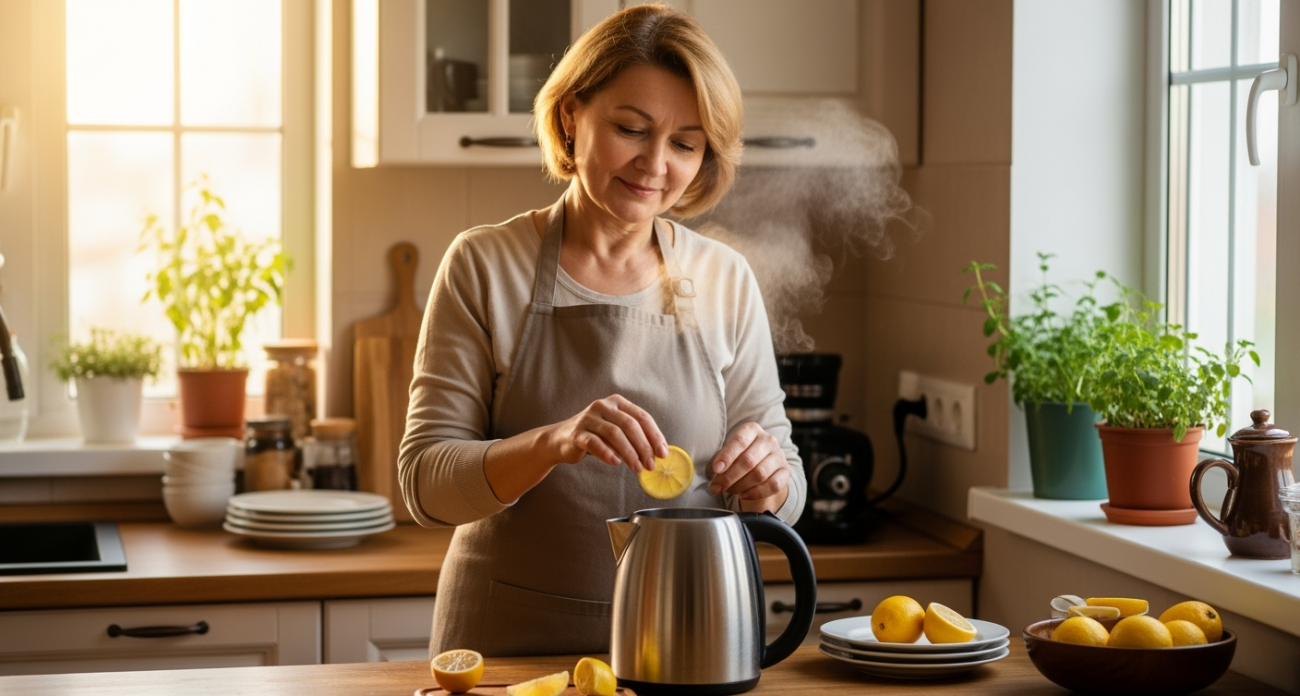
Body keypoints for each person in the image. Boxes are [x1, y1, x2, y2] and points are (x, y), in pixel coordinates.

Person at [398, 3, 805, 658]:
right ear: (570, 116)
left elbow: (785, 476)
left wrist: (773, 481)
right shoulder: (484, 265)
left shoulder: (725, 278)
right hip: (509, 649)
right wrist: (551, 442)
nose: (654, 164)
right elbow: (425, 483)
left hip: (684, 645)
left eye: (684, 144)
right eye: (631, 128)